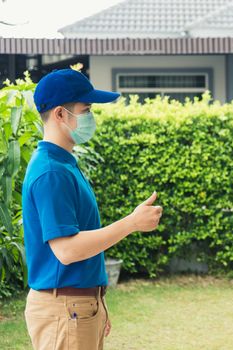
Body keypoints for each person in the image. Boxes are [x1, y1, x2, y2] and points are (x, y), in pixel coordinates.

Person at [23, 69, 163, 350]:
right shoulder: (52, 171)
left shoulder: (63, 164)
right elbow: (67, 250)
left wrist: (96, 302)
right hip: (66, 310)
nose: (91, 117)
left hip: (77, 307)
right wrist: (132, 223)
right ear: (61, 114)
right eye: (85, 109)